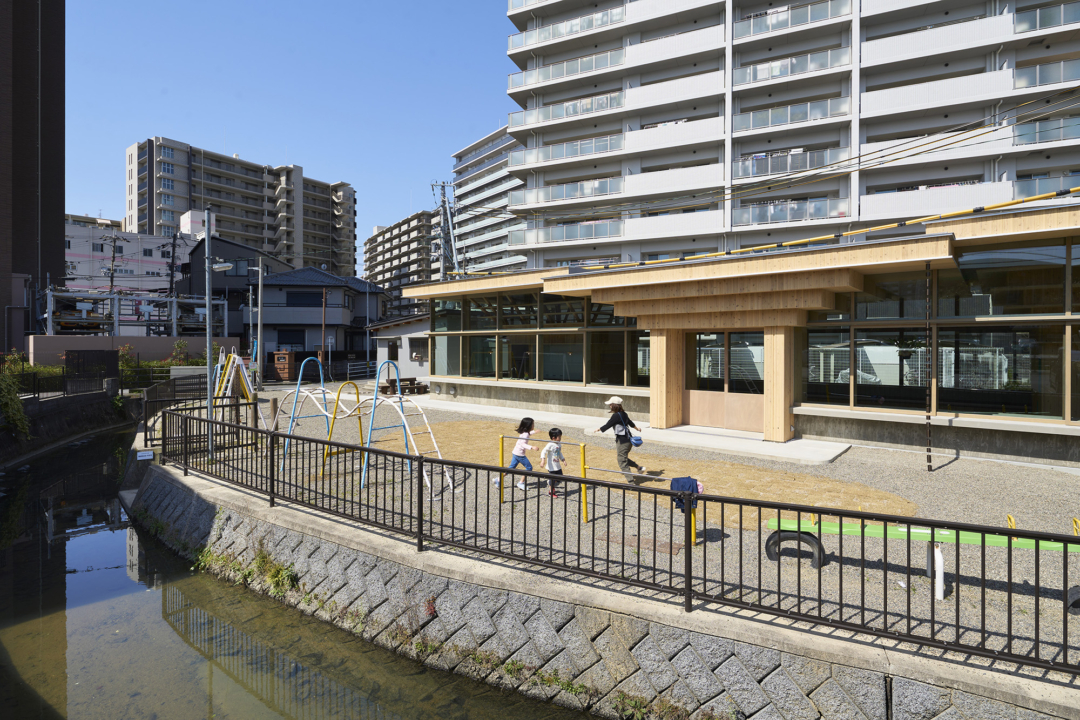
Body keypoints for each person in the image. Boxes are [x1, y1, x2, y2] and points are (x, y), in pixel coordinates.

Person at [595, 397, 646, 482]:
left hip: (623, 441)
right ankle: (638, 467)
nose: (610, 406)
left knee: (621, 461)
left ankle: (631, 483)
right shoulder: (624, 413)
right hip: (628, 440)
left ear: (614, 405)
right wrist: (637, 428)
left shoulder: (616, 416)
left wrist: (598, 429)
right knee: (623, 457)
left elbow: (608, 425)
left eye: (611, 404)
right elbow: (630, 422)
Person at [504, 417, 537, 491]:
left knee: (511, 468)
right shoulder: (525, 434)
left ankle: (498, 479)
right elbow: (523, 444)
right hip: (519, 454)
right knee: (529, 468)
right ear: (529, 425)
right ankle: (521, 483)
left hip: (515, 452)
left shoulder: (524, 432)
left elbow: (528, 434)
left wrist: (534, 432)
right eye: (532, 424)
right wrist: (532, 447)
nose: (533, 425)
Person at [540, 427, 567, 497]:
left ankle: (550, 482)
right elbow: (543, 451)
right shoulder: (550, 444)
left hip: (557, 465)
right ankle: (551, 492)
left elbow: (559, 453)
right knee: (552, 479)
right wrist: (543, 460)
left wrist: (563, 460)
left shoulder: (559, 444)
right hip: (551, 466)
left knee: (560, 478)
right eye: (559, 437)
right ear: (553, 438)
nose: (560, 438)